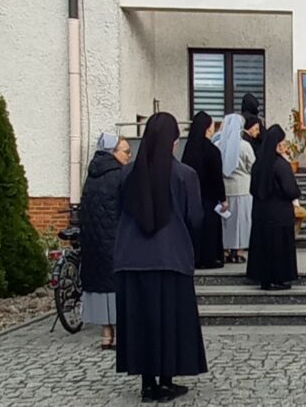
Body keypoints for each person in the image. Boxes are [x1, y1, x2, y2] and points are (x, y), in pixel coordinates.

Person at [114, 113, 206, 403]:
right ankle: (166, 379)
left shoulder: (128, 173)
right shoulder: (184, 175)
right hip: (171, 257)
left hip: (132, 257)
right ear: (172, 142)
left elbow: (120, 209)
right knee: (169, 320)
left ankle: (147, 383)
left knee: (141, 320)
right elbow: (196, 218)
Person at [80, 132, 131, 350]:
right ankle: (120, 333)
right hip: (115, 237)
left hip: (93, 241)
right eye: (126, 151)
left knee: (100, 285)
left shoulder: (91, 175)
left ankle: (106, 333)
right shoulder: (120, 175)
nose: (129, 156)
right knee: (116, 284)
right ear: (113, 152)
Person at [246, 124, 302, 291]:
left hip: (261, 213)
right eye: (283, 143)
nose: (285, 147)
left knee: (264, 246)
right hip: (279, 214)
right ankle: (279, 278)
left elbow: (252, 189)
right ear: (277, 145)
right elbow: (291, 190)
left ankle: (264, 278)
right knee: (279, 247)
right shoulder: (281, 165)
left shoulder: (258, 164)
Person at [180, 112, 227, 270]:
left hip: (192, 197)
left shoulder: (188, 149)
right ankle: (209, 258)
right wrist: (223, 198)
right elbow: (216, 178)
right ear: (208, 128)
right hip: (209, 198)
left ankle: (194, 257)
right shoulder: (212, 151)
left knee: (194, 229)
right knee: (209, 228)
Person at [217, 113, 256, 264]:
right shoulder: (245, 146)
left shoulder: (218, 144)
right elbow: (252, 166)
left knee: (225, 222)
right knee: (241, 222)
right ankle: (238, 250)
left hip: (225, 189)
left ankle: (225, 249)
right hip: (243, 188)